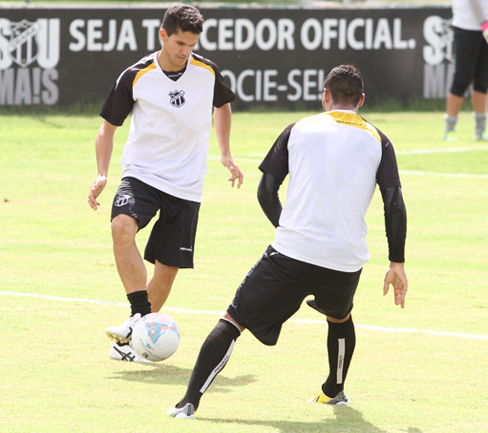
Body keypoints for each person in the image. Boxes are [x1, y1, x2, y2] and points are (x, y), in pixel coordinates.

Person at [164, 64, 408, 419]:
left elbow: (265, 191)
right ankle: (334, 391)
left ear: (325, 97)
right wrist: (396, 263)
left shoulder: (298, 128)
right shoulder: (378, 139)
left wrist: (290, 228)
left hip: (291, 252)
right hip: (345, 260)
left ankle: (189, 402)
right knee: (340, 316)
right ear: (362, 100)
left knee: (233, 320)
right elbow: (394, 203)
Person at [87, 4, 244, 363]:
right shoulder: (136, 75)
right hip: (142, 174)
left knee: (168, 268)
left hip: (187, 184)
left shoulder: (207, 71)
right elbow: (107, 128)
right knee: (121, 226)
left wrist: (226, 152)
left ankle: (131, 344)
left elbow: (223, 106)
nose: (185, 51)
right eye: (178, 43)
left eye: (191, 44)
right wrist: (102, 173)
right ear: (162, 35)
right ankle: (140, 316)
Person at [444, 0, 488, 141]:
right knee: (462, 78)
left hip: (486, 28)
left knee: (483, 80)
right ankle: (449, 130)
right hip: (466, 26)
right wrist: (484, 23)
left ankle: (480, 130)